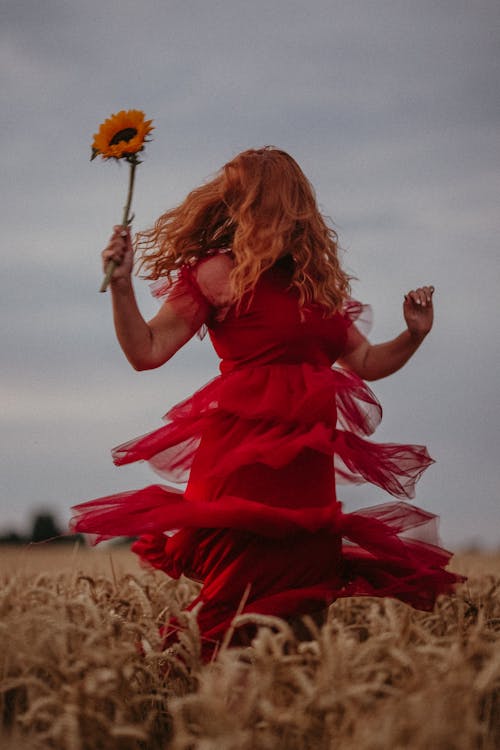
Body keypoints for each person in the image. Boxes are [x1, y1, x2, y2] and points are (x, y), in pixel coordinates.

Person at [72, 147, 463, 659]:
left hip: (305, 476)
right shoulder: (217, 274)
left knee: (304, 611)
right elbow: (146, 351)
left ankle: (281, 722)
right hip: (241, 466)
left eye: (246, 200)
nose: (239, 212)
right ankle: (185, 704)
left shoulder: (315, 287)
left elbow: (364, 360)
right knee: (237, 600)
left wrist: (412, 336)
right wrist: (122, 287)